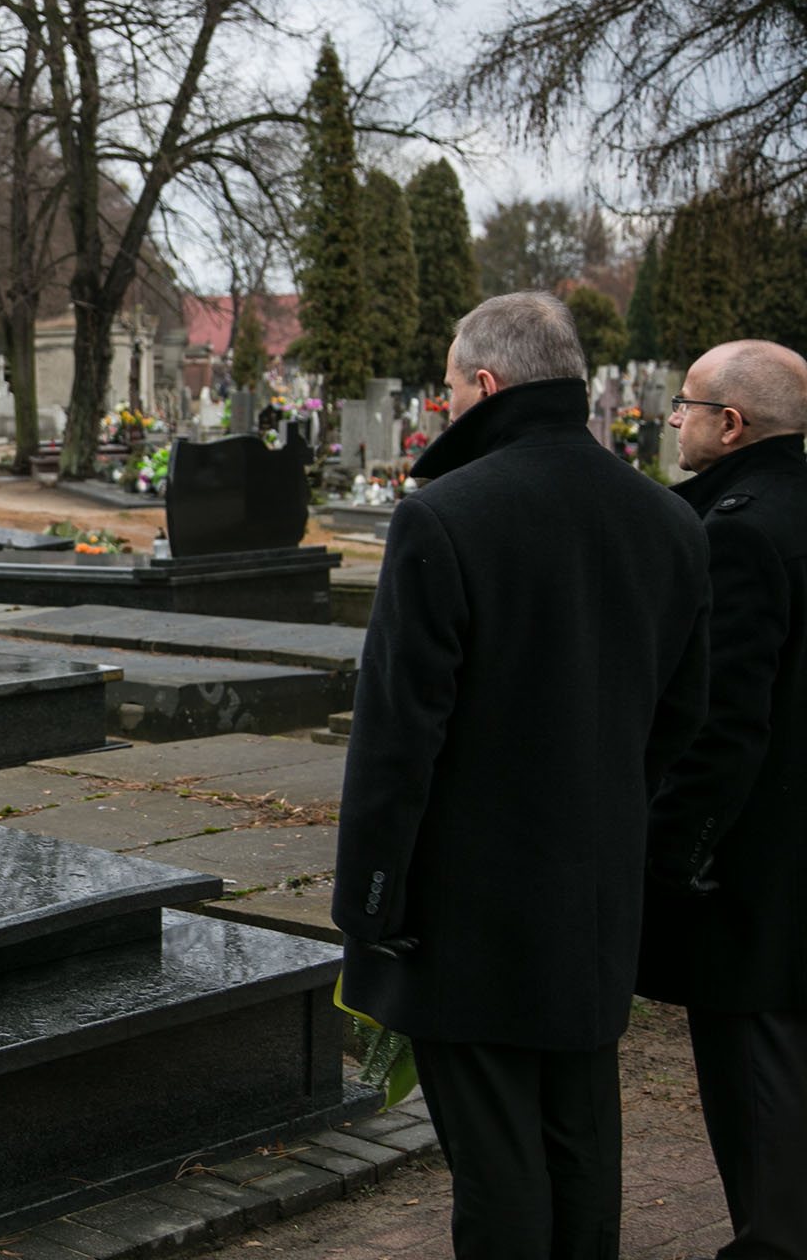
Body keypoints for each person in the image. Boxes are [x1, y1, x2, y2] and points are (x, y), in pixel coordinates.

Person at [333, 291, 712, 1259]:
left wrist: (370, 896)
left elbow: (398, 736)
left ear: (486, 382)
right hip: (595, 888)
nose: (446, 404)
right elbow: (682, 715)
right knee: (579, 1133)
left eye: (451, 387)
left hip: (470, 903)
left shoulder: (444, 516)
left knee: (496, 1153)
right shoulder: (669, 519)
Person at [638, 339, 807, 1258]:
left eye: (687, 403)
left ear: (731, 424)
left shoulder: (736, 531)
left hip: (755, 872)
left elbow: (722, 723)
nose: (674, 418)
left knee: (758, 1084)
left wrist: (673, 854)